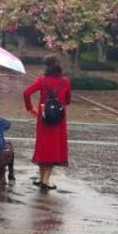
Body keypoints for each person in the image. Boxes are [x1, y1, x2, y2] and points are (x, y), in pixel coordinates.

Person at [22, 55, 71, 191]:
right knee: (54, 147)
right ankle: (45, 180)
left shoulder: (42, 81)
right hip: (58, 120)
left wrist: (30, 108)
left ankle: (41, 177)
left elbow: (26, 93)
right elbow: (67, 100)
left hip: (43, 118)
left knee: (43, 146)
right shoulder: (66, 82)